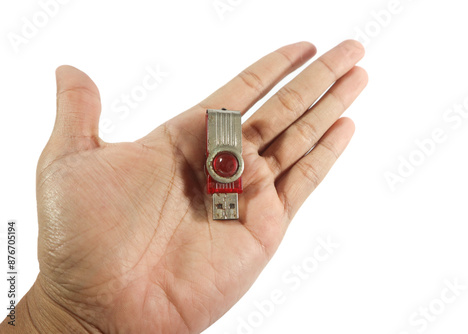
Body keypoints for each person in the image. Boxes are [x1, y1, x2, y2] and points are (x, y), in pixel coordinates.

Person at [1, 40, 367, 333]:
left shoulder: (225, 163)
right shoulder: (220, 162)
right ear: (212, 167)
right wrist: (58, 315)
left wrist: (56, 319)